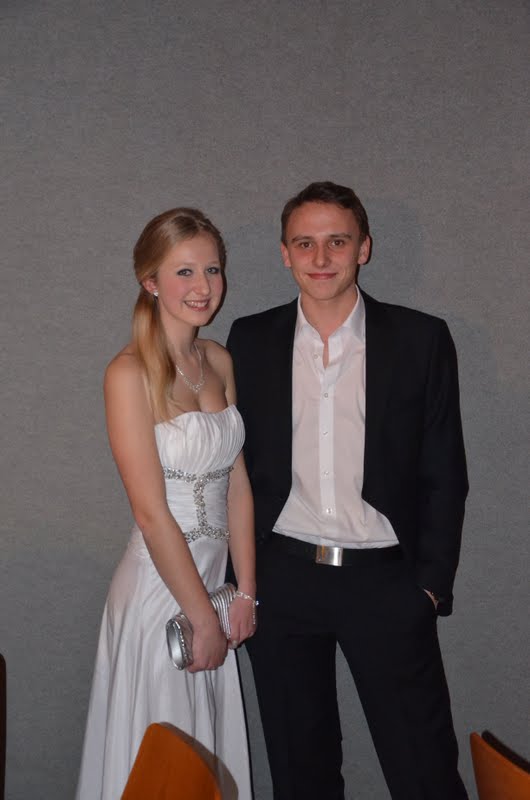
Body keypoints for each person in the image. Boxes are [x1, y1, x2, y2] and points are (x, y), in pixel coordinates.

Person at [227, 182, 469, 800]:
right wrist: (244, 581)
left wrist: (429, 586)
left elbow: (445, 471)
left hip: (386, 581)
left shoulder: (420, 339)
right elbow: (237, 469)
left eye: (337, 241)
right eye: (304, 243)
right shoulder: (250, 340)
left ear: (364, 248)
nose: (321, 257)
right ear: (284, 253)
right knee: (300, 775)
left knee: (424, 772)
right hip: (284, 580)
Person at [76, 208, 256, 800]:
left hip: (216, 589)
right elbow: (151, 514)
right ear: (150, 281)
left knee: (203, 756)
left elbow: (238, 484)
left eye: (212, 269)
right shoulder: (127, 373)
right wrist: (201, 618)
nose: (203, 287)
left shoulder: (220, 361)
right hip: (160, 592)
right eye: (184, 272)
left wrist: (245, 594)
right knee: (164, 757)